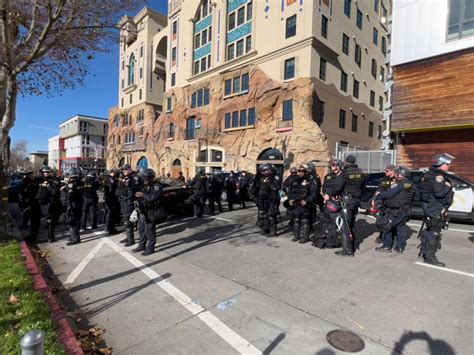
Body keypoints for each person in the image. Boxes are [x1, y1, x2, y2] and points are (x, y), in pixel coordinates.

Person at [419, 153, 455, 267]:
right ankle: (430, 257)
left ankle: (424, 252)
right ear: (440, 164)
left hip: (430, 205)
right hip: (434, 207)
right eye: (447, 164)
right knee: (434, 232)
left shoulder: (430, 174)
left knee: (429, 229)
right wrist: (448, 186)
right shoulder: (438, 177)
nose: (449, 166)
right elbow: (439, 193)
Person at [375, 166, 418, 254]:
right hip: (406, 210)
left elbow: (389, 194)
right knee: (401, 228)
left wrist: (379, 196)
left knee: (387, 227)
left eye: (397, 173)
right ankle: (400, 247)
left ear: (400, 175)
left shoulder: (399, 184)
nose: (396, 175)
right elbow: (417, 197)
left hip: (395, 211)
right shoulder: (413, 185)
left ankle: (387, 246)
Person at [331, 155, 366, 256]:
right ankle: (352, 244)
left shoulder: (344, 172)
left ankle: (348, 250)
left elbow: (337, 187)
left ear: (345, 162)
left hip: (347, 202)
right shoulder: (361, 172)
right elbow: (363, 187)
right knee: (352, 223)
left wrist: (333, 195)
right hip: (356, 201)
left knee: (345, 225)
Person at [312, 159, 344, 249]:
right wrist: (325, 194)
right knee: (326, 220)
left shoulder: (341, 176)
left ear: (339, 166)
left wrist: (336, 195)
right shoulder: (328, 176)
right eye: (332, 165)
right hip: (328, 201)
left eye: (334, 165)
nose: (332, 167)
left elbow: (341, 188)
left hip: (337, 201)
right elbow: (324, 187)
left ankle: (335, 240)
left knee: (336, 221)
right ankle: (326, 238)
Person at [133, 169, 164, 256]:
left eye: (145, 178)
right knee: (141, 229)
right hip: (143, 210)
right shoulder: (146, 185)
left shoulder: (156, 186)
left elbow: (153, 197)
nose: (143, 180)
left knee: (149, 230)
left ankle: (150, 248)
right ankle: (141, 245)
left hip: (151, 211)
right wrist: (138, 195)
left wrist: (143, 195)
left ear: (150, 178)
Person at [288, 165, 318, 243]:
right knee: (296, 220)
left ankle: (305, 237)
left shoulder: (310, 181)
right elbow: (290, 191)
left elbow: (313, 194)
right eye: (299, 171)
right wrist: (290, 199)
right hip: (296, 203)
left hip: (305, 204)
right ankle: (296, 235)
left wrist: (307, 201)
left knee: (305, 221)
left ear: (306, 172)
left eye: (302, 171)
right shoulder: (295, 180)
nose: (300, 173)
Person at [116, 164, 142, 246]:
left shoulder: (134, 178)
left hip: (129, 202)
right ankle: (128, 236)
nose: (124, 171)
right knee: (125, 220)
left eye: (126, 169)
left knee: (128, 221)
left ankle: (131, 240)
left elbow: (133, 191)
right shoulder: (123, 177)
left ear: (130, 169)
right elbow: (119, 189)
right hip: (123, 201)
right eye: (123, 170)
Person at [371, 164, 397, 243]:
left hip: (393, 203)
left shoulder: (398, 179)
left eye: (387, 171)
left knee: (392, 221)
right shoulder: (384, 179)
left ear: (393, 171)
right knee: (382, 220)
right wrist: (373, 199)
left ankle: (392, 237)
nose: (385, 172)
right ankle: (382, 235)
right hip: (383, 203)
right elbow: (379, 190)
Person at [35, 166, 62, 242]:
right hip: (40, 203)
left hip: (50, 203)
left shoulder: (53, 181)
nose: (46, 173)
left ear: (50, 172)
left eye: (47, 172)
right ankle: (34, 237)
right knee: (36, 220)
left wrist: (48, 186)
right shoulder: (39, 180)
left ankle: (51, 237)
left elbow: (55, 192)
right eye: (44, 172)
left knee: (51, 221)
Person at [62, 168, 84, 245]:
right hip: (77, 204)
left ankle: (75, 239)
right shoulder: (79, 182)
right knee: (74, 221)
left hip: (74, 205)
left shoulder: (72, 184)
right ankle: (73, 236)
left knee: (73, 221)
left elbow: (72, 196)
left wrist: (68, 189)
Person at [258, 164, 281, 236]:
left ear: (269, 170)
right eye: (262, 171)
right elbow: (261, 189)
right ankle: (266, 229)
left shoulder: (275, 177)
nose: (263, 172)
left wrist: (269, 183)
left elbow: (275, 188)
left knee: (271, 216)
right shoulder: (263, 178)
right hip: (264, 199)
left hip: (272, 199)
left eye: (264, 170)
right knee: (264, 215)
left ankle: (273, 231)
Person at [20, 171, 41, 243]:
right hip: (28, 203)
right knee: (26, 217)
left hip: (36, 203)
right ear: (27, 175)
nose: (32, 176)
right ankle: (27, 233)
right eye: (30, 175)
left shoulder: (37, 181)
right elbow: (22, 193)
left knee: (36, 220)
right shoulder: (25, 182)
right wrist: (24, 202)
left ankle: (34, 235)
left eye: (33, 174)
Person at [103, 168, 120, 235]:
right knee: (111, 214)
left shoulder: (107, 178)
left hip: (109, 199)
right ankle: (111, 229)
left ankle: (108, 227)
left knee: (109, 213)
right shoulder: (111, 179)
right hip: (111, 199)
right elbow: (112, 189)